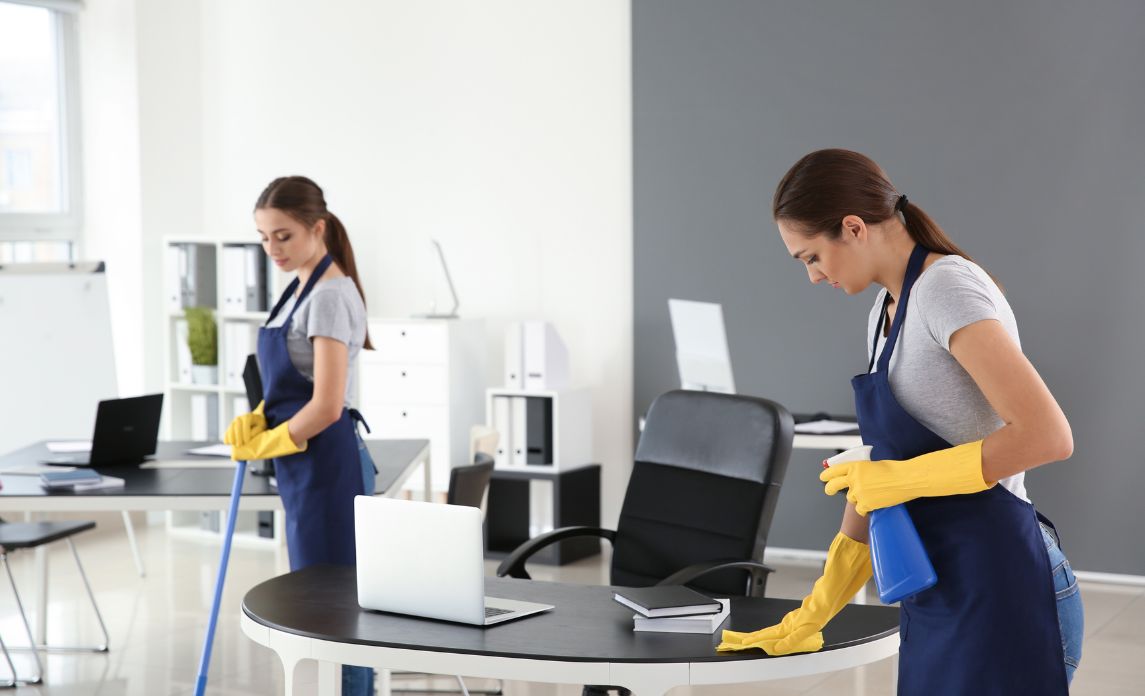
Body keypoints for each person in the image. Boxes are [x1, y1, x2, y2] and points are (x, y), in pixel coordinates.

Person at [717, 149, 1083, 694]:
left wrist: (899, 480)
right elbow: (882, 471)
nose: (814, 277)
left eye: (811, 257)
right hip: (938, 586)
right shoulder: (885, 312)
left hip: (1001, 583)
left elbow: (1048, 436)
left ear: (853, 227)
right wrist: (816, 610)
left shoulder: (947, 288)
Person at [224, 175, 376, 696]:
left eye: (283, 236)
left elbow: (328, 404)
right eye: (264, 237)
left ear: (318, 228)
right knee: (320, 602)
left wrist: (268, 441)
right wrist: (261, 415)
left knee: (339, 608)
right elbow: (296, 378)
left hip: (325, 463)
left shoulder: (331, 294)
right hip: (301, 463)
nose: (273, 249)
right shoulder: (296, 288)